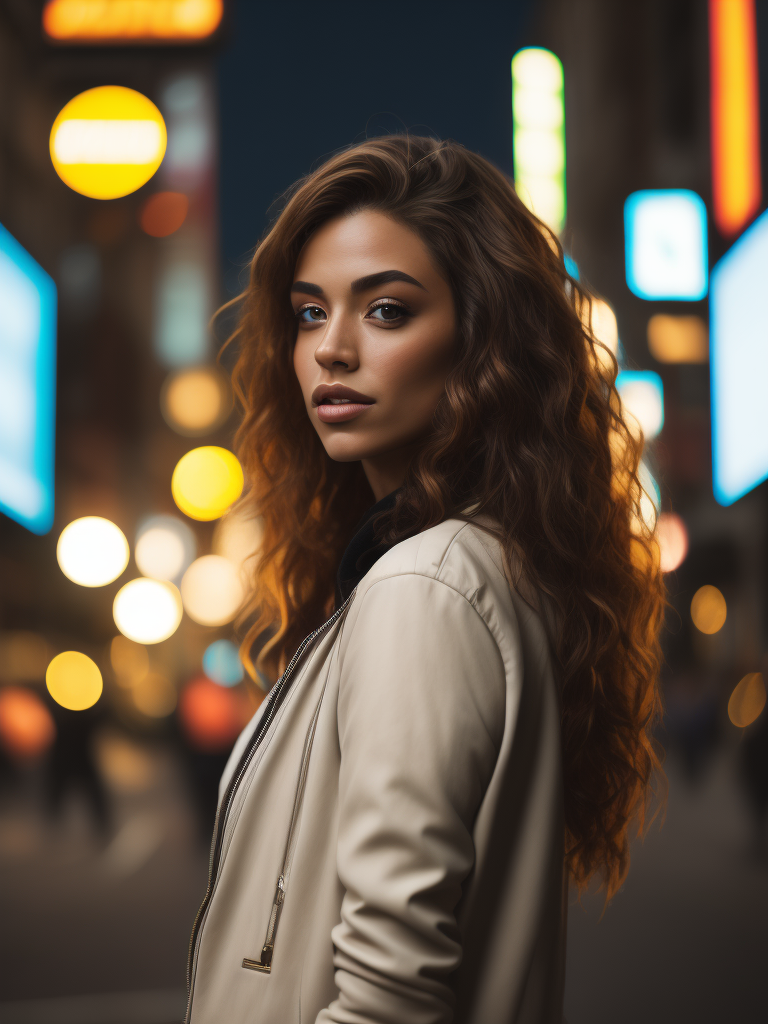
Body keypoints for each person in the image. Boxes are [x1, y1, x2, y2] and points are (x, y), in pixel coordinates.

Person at [185, 136, 665, 1024]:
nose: (330, 350)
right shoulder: (473, 568)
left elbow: (388, 1002)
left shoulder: (425, 588)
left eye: (387, 312)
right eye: (306, 313)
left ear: (482, 342)